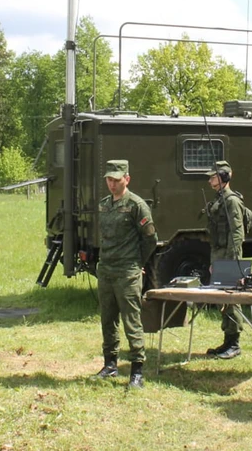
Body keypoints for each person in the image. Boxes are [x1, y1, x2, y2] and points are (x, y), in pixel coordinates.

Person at [93, 160, 157, 389]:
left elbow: (151, 239)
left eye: (116, 180)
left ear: (127, 179)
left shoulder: (136, 205)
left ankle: (137, 370)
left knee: (131, 320)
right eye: (109, 180)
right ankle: (110, 364)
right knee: (107, 319)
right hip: (107, 270)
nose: (112, 184)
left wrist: (137, 261)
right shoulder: (104, 205)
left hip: (127, 273)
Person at [203, 160, 246, 359]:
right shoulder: (219, 200)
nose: (210, 180)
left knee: (231, 299)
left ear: (224, 177)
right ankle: (227, 341)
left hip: (230, 256)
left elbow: (237, 235)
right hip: (219, 254)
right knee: (223, 300)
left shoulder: (232, 201)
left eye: (213, 176)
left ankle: (234, 343)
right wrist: (214, 262)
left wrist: (233, 265)